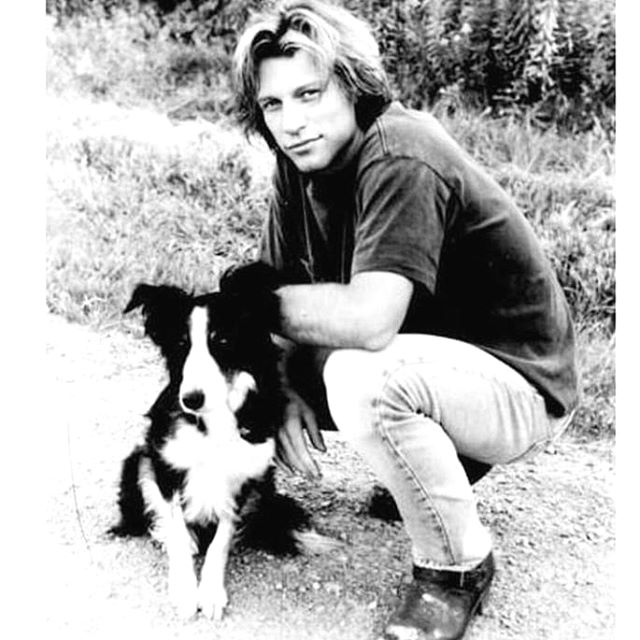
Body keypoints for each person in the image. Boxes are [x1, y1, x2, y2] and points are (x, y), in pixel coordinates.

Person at [232, 1, 579, 638]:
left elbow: (368, 321)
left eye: (310, 93)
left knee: (361, 376)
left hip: (522, 388)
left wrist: (244, 307)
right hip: (442, 361)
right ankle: (429, 472)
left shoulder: (401, 152)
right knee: (238, 359)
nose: (291, 122)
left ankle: (457, 569)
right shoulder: (298, 163)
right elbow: (280, 293)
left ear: (355, 85)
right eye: (273, 105)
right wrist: (276, 386)